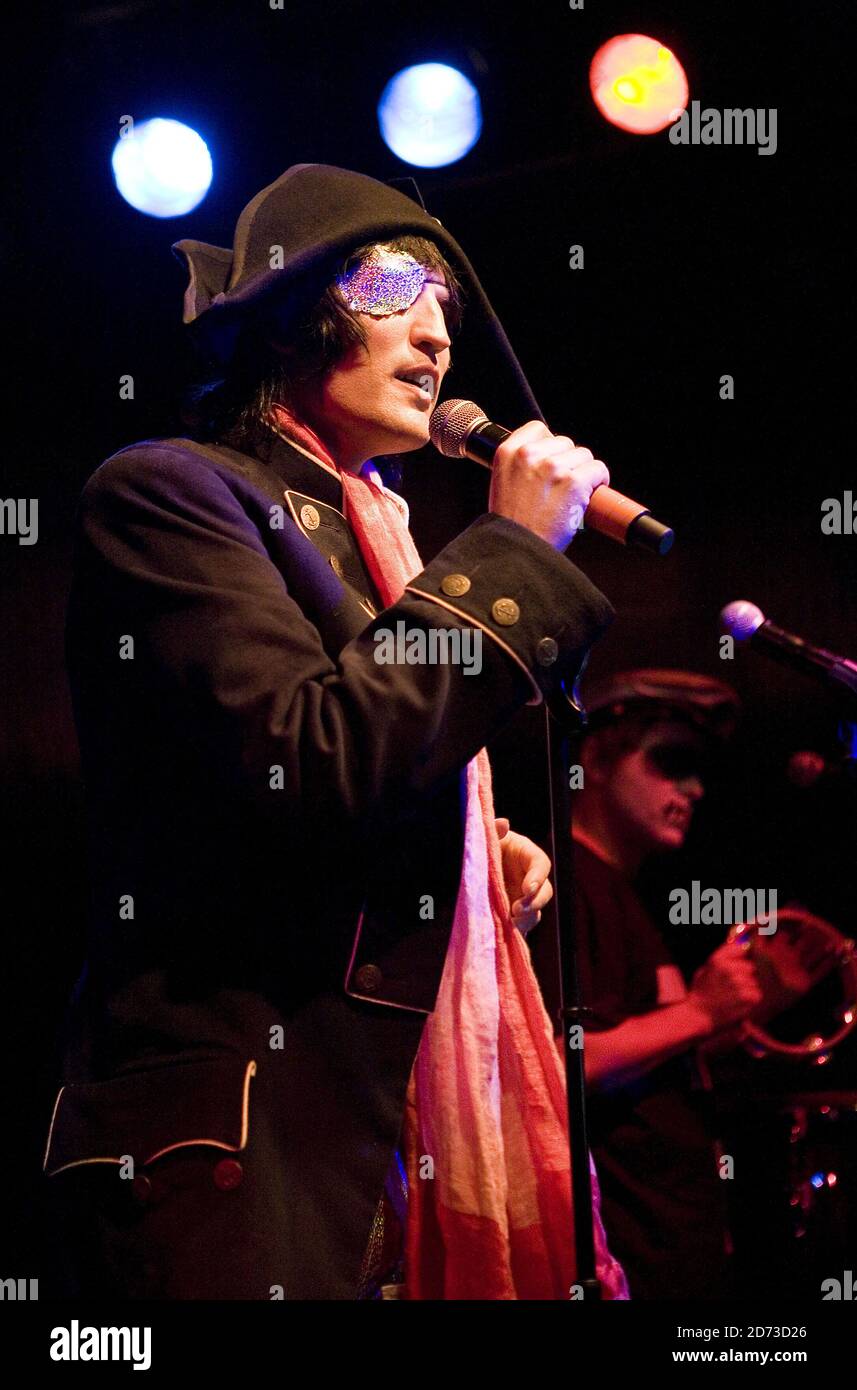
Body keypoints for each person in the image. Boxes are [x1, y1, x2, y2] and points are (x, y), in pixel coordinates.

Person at [42, 163, 627, 1300]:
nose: (434, 332)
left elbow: (366, 766)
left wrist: (465, 854)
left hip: (381, 1127)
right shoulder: (171, 493)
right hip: (245, 1143)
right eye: (391, 286)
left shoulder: (386, 542)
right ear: (284, 316)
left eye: (444, 305)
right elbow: (304, 761)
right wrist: (509, 557)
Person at [533, 669, 824, 1299]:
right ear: (595, 759)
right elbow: (555, 1064)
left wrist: (743, 1012)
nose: (692, 789)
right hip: (625, 1264)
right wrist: (701, 1009)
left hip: (675, 1249)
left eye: (697, 772)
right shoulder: (560, 886)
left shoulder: (626, 894)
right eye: (670, 763)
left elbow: (647, 1063)